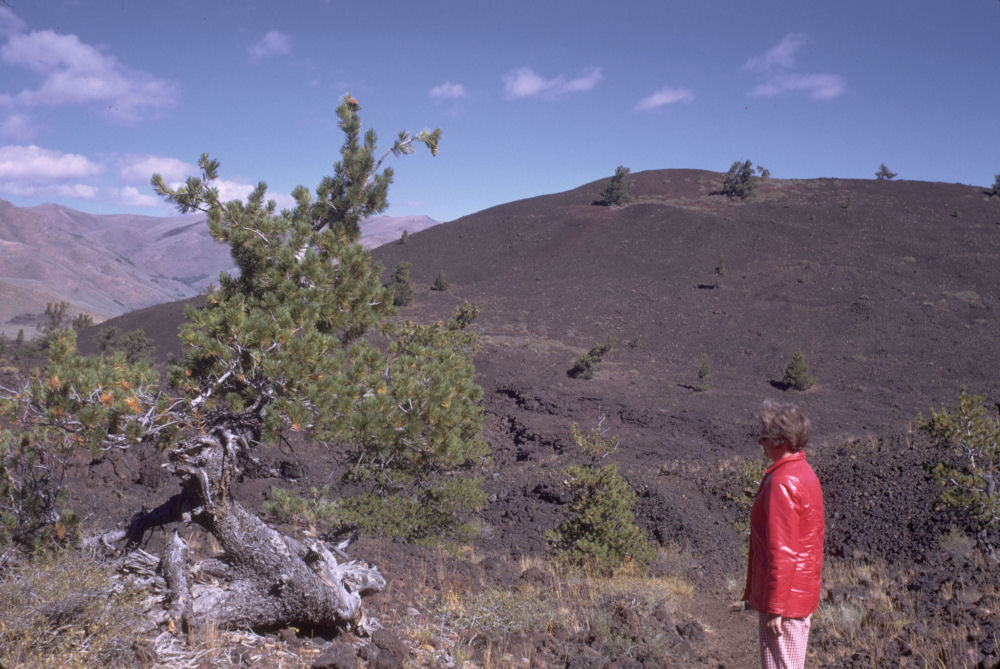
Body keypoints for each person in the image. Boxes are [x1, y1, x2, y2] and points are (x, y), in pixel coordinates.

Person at [743, 399, 825, 669]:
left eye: (764, 436)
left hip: (785, 603)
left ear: (781, 441)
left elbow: (784, 551)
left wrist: (775, 607)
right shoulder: (804, 472)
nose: (760, 441)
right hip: (799, 594)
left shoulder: (782, 483)